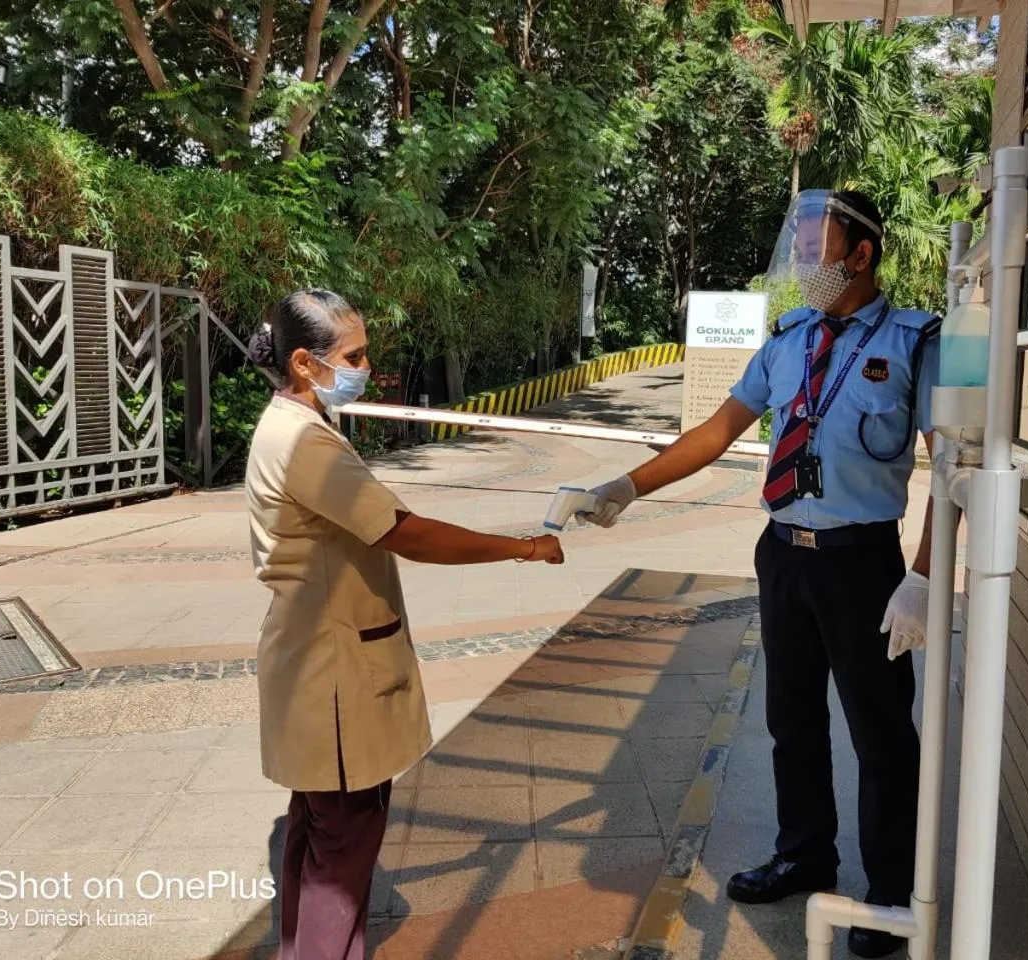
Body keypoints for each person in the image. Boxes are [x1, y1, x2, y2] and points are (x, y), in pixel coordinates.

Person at [581, 191, 937, 959]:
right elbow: (717, 430)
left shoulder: (915, 342)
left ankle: (889, 892)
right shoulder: (788, 340)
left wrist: (926, 575)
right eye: (799, 244)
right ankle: (806, 853)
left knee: (880, 733)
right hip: (783, 553)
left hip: (864, 562)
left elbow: (959, 464)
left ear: (862, 252)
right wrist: (626, 486)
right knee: (791, 719)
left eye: (816, 244)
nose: (803, 259)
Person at [244, 290, 564, 960]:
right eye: (353, 355)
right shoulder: (306, 442)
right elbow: (404, 533)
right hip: (333, 676)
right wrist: (524, 547)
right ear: (304, 363)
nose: (366, 365)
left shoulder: (288, 423)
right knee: (343, 847)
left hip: (312, 661)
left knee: (318, 827)